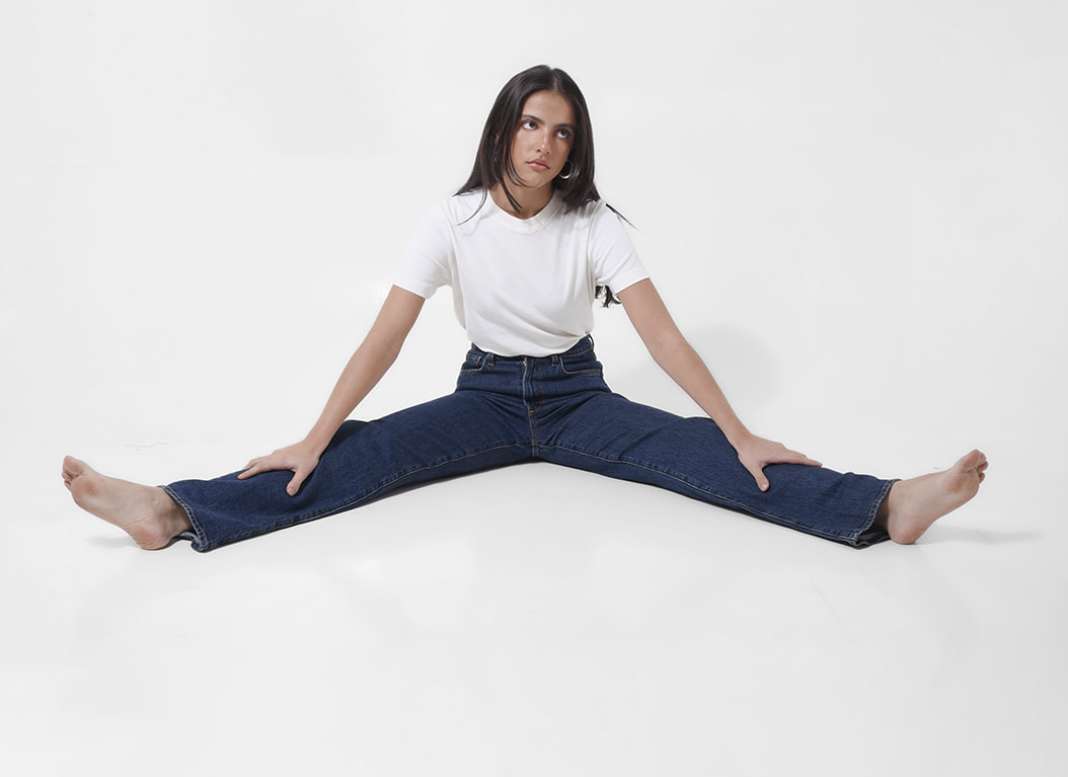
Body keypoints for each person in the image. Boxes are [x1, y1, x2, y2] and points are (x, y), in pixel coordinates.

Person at [62, 65, 988, 553]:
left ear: (574, 149)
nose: (545, 142)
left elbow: (661, 335)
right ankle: (173, 511)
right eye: (532, 122)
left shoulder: (594, 225)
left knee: (713, 458)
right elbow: (386, 337)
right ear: (505, 127)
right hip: (485, 398)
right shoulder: (452, 220)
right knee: (347, 460)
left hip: (580, 398)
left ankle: (887, 507)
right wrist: (313, 434)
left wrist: (741, 431)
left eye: (563, 132)